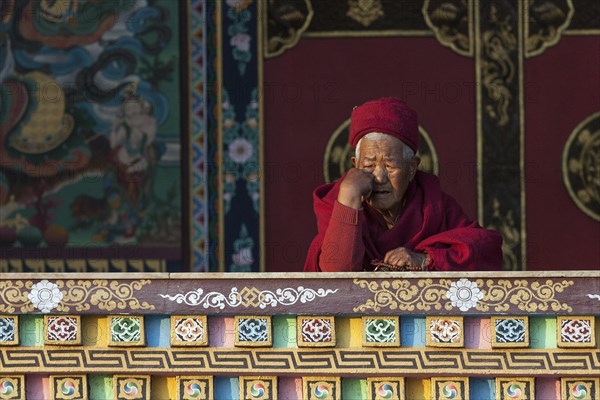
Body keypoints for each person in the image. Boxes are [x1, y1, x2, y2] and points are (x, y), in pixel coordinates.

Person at [304, 97, 503, 272]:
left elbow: (486, 248)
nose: (379, 177)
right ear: (355, 166)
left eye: (390, 166)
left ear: (411, 168)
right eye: (369, 165)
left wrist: (425, 259)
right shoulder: (338, 201)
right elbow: (336, 273)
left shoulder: (432, 205)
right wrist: (349, 197)